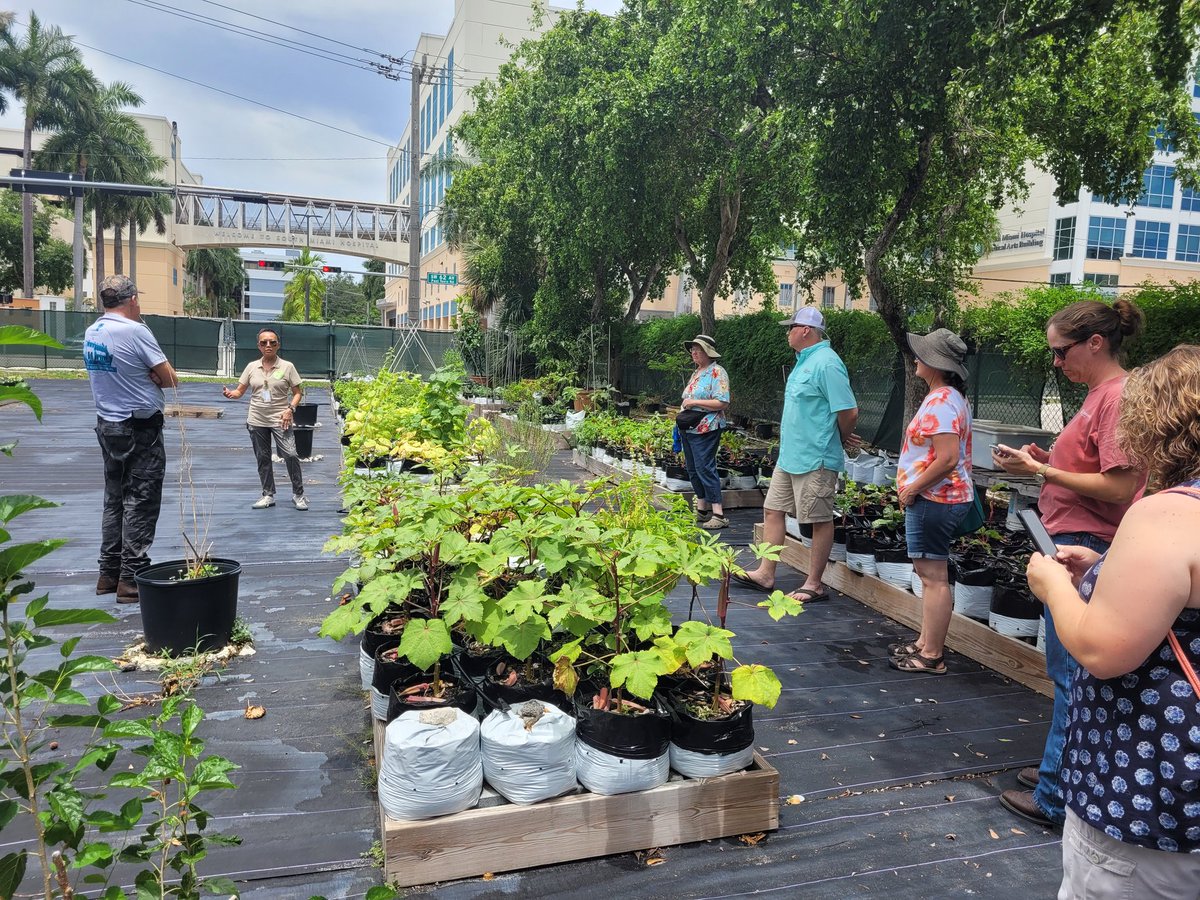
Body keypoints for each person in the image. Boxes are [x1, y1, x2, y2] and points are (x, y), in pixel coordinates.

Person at [1024, 344, 1200, 895]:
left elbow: (1103, 651)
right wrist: (1107, 569)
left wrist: (1056, 589)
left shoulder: (1168, 513)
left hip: (1150, 788)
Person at [991, 298, 1146, 827]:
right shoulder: (1099, 396)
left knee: (1071, 672)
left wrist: (1046, 472)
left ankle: (1057, 795)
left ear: (1095, 343)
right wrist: (1041, 463)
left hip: (1084, 541)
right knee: (1064, 670)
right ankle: (1059, 766)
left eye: (1061, 352)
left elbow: (1120, 484)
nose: (1056, 363)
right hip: (1068, 533)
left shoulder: (1117, 397)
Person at [733, 307, 858, 604]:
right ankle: (766, 572)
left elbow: (849, 411)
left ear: (806, 330)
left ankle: (814, 583)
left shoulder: (827, 363)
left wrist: (837, 437)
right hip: (790, 455)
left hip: (816, 457)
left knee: (818, 520)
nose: (787, 331)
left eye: (792, 327)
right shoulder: (805, 362)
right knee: (772, 510)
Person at [84, 274, 179, 603]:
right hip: (140, 429)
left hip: (107, 426)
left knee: (114, 501)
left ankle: (107, 574)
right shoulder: (136, 331)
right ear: (133, 299)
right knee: (141, 500)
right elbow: (170, 378)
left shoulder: (93, 331)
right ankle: (131, 578)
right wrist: (153, 375)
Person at [889, 329, 974, 675]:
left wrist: (912, 489)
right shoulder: (949, 397)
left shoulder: (941, 402)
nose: (915, 358)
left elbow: (947, 457)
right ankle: (925, 642)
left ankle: (933, 655)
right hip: (941, 498)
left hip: (935, 499)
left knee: (934, 577)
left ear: (936, 364)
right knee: (929, 576)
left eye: (921, 354)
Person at [222, 328, 308, 510]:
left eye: (272, 342)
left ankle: (298, 494)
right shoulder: (252, 367)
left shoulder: (287, 367)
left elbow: (298, 392)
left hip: (280, 419)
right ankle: (268, 494)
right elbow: (240, 390)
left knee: (291, 454)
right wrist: (232, 394)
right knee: (263, 457)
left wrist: (290, 409)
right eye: (264, 343)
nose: (268, 345)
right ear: (258, 346)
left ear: (278, 345)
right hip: (256, 419)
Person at [679, 334, 731, 529]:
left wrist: (694, 402)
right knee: (692, 468)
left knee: (705, 467)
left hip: (707, 427)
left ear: (707, 352)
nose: (693, 352)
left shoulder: (717, 372)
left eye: (697, 349)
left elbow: (722, 402)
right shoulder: (698, 372)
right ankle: (701, 510)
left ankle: (718, 513)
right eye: (692, 349)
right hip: (689, 427)